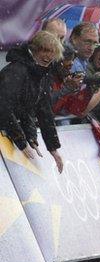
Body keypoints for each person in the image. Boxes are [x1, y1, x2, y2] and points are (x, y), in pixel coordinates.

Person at [0, 30, 64, 173]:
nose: (48, 56)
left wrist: (52, 148)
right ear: (34, 50)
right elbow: (3, 106)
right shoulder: (17, 70)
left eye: (52, 52)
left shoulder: (42, 74)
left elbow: (43, 111)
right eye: (45, 51)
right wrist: (22, 142)